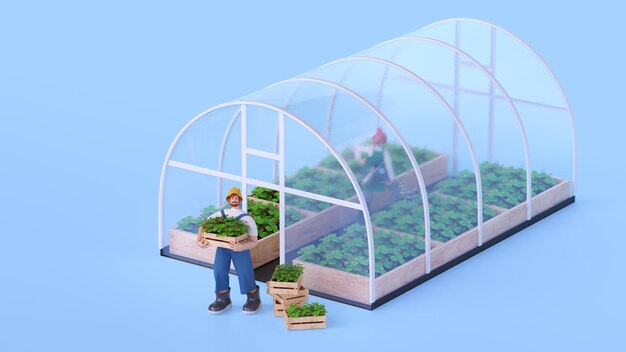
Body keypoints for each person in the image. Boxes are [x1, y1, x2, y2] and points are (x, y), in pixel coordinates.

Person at [196, 187, 261, 315]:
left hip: (240, 248)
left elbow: (254, 241)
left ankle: (253, 297)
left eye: (236, 197)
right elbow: (203, 224)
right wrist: (199, 240)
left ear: (240, 199)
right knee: (219, 270)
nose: (234, 199)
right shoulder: (222, 214)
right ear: (228, 199)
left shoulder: (247, 219)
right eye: (232, 197)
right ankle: (222, 297)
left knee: (244, 272)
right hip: (222, 246)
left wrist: (241, 247)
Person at [353, 127, 398, 206]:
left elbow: (388, 165)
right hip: (370, 174)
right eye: (378, 141)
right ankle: (363, 213)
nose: (379, 143)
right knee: (368, 196)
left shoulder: (384, 152)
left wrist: (391, 178)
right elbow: (357, 148)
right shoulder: (371, 149)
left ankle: (392, 205)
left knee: (393, 188)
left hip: (379, 174)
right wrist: (359, 159)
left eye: (381, 141)